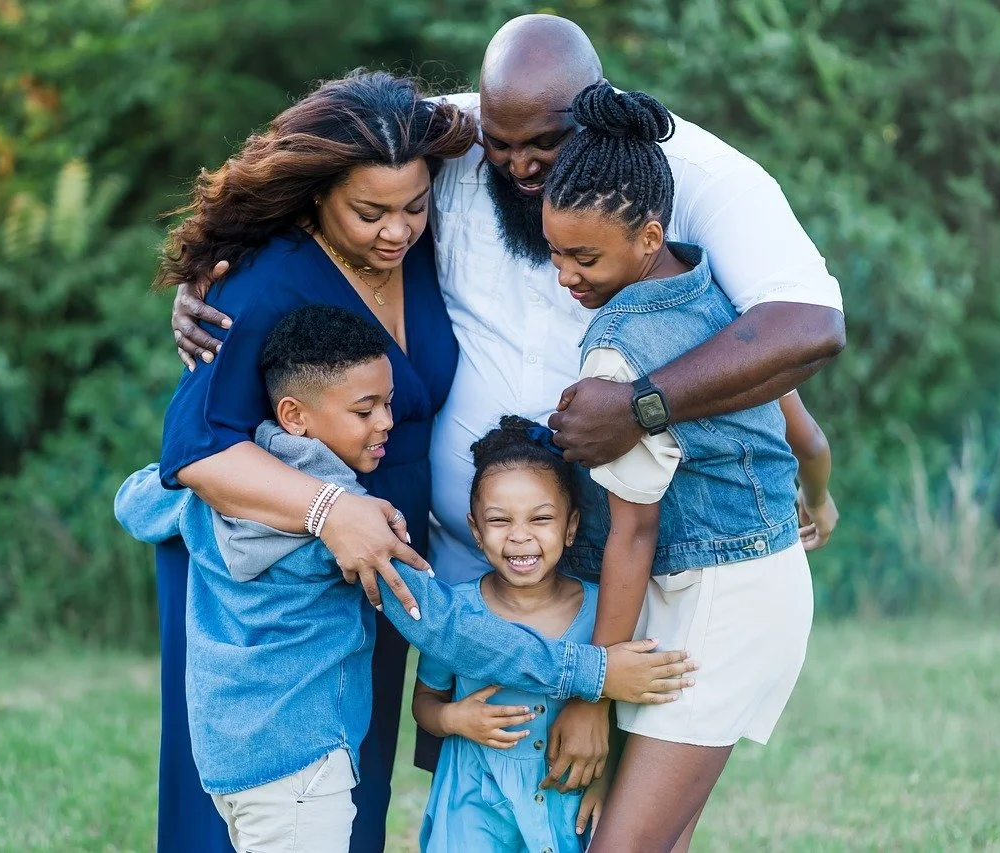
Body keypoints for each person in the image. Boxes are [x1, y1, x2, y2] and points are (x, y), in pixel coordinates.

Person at [169, 12, 846, 840]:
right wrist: (218, 257)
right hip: (475, 576)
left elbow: (802, 339)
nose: (521, 166)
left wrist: (646, 411)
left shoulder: (686, 191)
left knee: (612, 829)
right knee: (518, 810)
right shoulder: (458, 143)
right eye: (503, 146)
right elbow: (334, 145)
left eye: (543, 148)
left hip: (656, 576)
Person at [147, 69, 693, 852]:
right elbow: (193, 451)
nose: (397, 231)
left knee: (348, 786)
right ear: (314, 199)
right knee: (264, 790)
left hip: (384, 555)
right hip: (274, 580)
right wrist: (330, 511)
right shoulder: (260, 284)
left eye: (413, 205)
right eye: (369, 213)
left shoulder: (420, 247)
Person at [117, 307, 695, 853]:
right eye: (365, 410)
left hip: (228, 757)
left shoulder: (217, 488)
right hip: (303, 761)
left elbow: (134, 503)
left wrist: (198, 484)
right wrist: (594, 670)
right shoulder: (352, 526)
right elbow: (443, 628)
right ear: (295, 415)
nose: (387, 422)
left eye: (389, 404)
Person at [541, 81, 820, 851]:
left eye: (584, 256)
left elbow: (633, 534)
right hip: (749, 586)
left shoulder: (617, 353)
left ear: (648, 232)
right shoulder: (704, 282)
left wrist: (593, 693)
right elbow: (790, 417)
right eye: (555, 251)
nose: (566, 274)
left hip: (717, 609)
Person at [414, 416, 636, 853]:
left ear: (571, 526)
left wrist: (607, 780)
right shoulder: (456, 613)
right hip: (473, 802)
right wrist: (453, 719)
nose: (520, 536)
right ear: (476, 531)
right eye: (499, 520)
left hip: (568, 800)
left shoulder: (603, 610)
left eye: (541, 518)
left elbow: (624, 714)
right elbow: (425, 703)